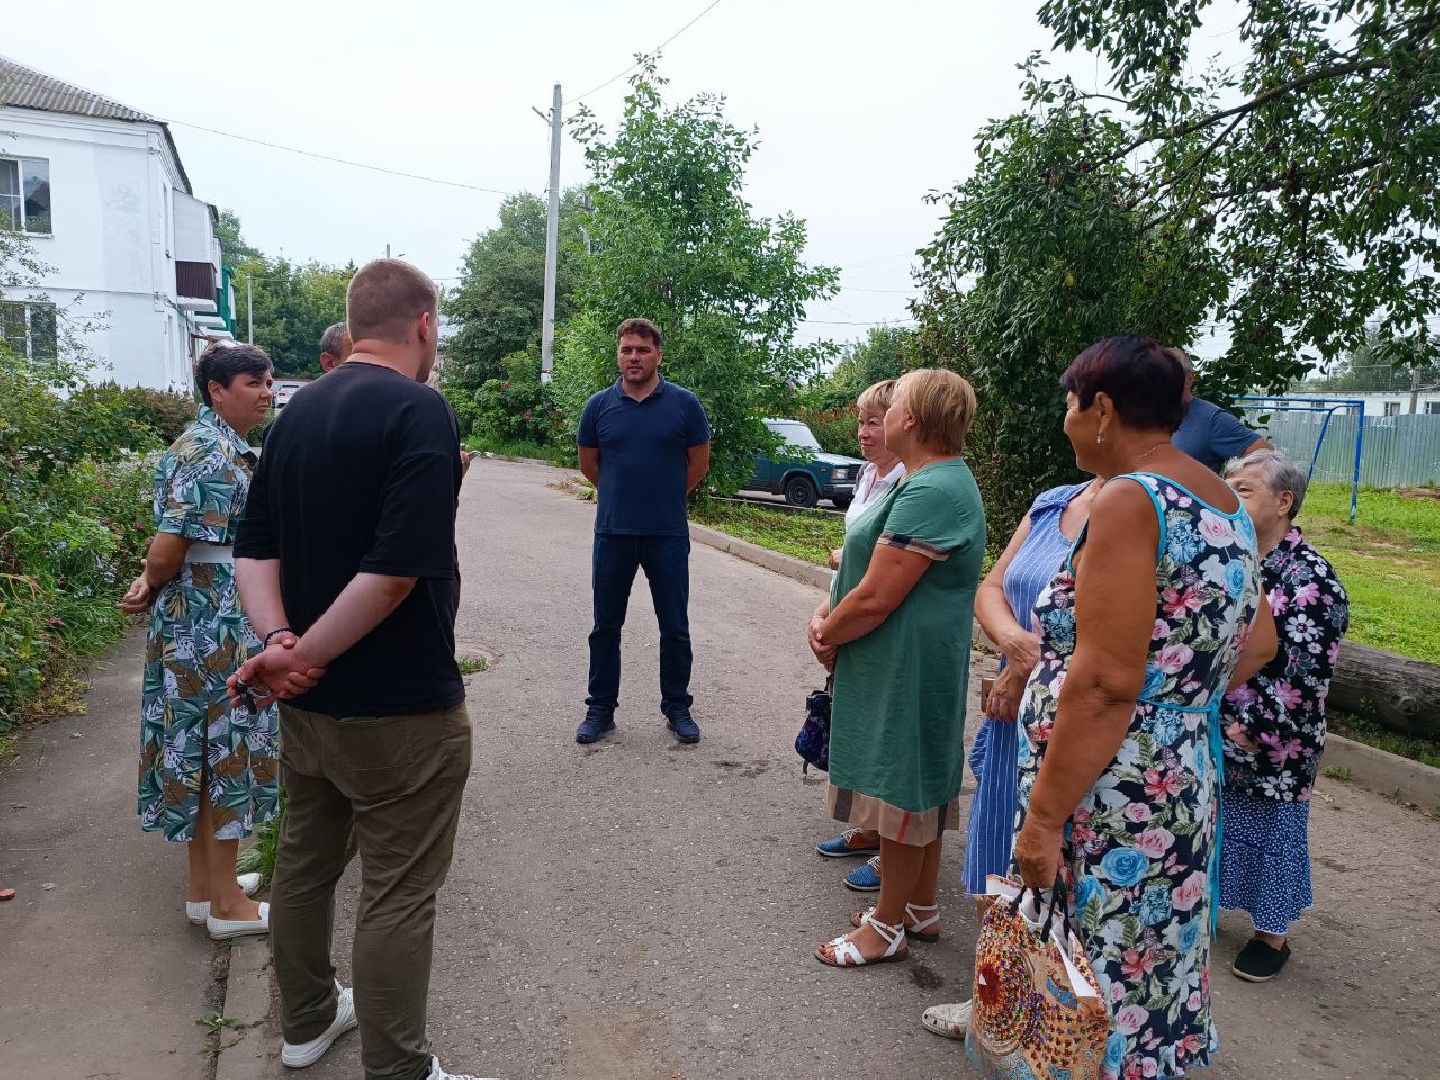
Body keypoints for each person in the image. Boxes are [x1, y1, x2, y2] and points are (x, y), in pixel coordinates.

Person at [232, 259, 486, 1080]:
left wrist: (279, 645)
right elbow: (397, 567)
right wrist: (301, 653)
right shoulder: (420, 409)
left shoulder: (295, 415)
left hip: (307, 707)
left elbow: (255, 545)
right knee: (399, 891)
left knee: (303, 864)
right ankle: (400, 1069)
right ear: (423, 325)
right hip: (400, 706)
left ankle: (306, 1021)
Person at [1012, 335, 1277, 1080]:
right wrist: (1178, 706)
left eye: (1069, 404)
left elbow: (1104, 684)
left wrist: (1042, 818)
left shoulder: (1133, 499)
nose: (1065, 420)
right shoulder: (1224, 499)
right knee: (1146, 977)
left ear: (1101, 409)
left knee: (1087, 976)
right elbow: (1253, 644)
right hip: (1177, 777)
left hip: (1109, 790)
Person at [808, 368, 985, 967]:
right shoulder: (929, 481)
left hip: (905, 667)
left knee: (902, 787)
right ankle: (920, 907)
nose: (881, 415)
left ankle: (885, 928)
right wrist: (831, 616)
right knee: (918, 782)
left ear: (911, 420)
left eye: (895, 403)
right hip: (903, 660)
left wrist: (827, 632)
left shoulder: (932, 490)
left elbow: (879, 595)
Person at [920, 473, 1105, 1039]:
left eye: (1078, 402)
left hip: (1073, 722)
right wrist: (1016, 648)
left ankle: (1061, 1025)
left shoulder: (1140, 513)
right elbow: (991, 588)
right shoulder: (1054, 501)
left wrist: (1031, 666)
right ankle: (996, 1002)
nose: (1068, 413)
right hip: (1012, 715)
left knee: (1065, 873)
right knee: (997, 848)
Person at [120, 342, 278, 940]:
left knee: (206, 746)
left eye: (267, 381)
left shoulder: (214, 445)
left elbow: (167, 549)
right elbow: (169, 547)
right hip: (213, 622)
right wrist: (151, 577)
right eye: (252, 382)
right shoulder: (211, 453)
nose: (266, 391)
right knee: (225, 748)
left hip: (203, 615)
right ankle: (227, 907)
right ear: (217, 390)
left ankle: (207, 889)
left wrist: (153, 579)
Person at [1220, 450, 1348, 983]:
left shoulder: (1309, 578)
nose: (1230, 495)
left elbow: (1305, 674)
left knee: (1273, 833)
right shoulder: (1230, 555)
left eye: (1244, 490)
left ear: (1284, 502)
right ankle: (1205, 904)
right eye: (1227, 485)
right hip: (1215, 721)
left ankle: (1272, 934)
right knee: (1218, 822)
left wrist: (1255, 726)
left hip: (1273, 738)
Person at [575, 317, 711, 745]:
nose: (634, 357)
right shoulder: (598, 406)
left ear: (658, 354)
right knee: (605, 626)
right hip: (613, 533)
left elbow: (698, 465)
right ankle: (600, 709)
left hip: (667, 535)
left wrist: (665, 499)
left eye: (642, 350)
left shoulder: (685, 405)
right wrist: (621, 496)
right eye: (627, 350)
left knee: (674, 626)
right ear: (618, 354)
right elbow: (589, 465)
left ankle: (677, 707)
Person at [815, 379, 906, 877]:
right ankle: (869, 826)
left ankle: (892, 850)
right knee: (856, 726)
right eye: (861, 422)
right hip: (847, 606)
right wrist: (822, 613)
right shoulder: (869, 476)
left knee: (882, 733)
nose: (864, 432)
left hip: (877, 622)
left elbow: (883, 564)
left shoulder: (907, 483)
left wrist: (831, 628)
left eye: (874, 421)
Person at [1169, 349, 1269, 471]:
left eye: (1166, 376)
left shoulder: (1212, 420)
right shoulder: (1147, 418)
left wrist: (1231, 486)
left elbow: (1268, 460)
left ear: (1189, 379)